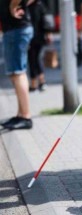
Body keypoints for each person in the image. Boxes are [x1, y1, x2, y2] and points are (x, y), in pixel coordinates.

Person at [0, 0, 34, 129]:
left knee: (18, 73)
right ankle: (21, 115)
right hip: (16, 29)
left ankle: (25, 116)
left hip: (17, 30)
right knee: (15, 73)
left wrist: (13, 6)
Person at [28, 0, 53, 92]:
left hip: (37, 37)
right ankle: (39, 82)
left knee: (34, 59)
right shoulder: (35, 5)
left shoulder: (39, 5)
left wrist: (48, 33)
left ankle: (37, 83)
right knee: (33, 59)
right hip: (31, 36)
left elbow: (46, 19)